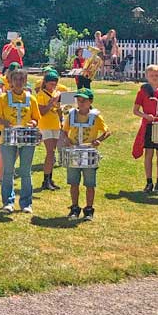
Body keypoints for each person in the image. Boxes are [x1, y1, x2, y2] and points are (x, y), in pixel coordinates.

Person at [0, 66, 41, 214]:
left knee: (26, 171)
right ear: (11, 81)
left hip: (26, 138)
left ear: (26, 81)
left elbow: (36, 119)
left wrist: (33, 123)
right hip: (8, 138)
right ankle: (8, 202)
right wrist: (5, 123)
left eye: (22, 79)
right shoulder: (3, 98)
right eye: (16, 79)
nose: (19, 82)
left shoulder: (31, 99)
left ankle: (26, 203)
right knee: (8, 170)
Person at [60, 89, 109, 220]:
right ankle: (75, 208)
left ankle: (89, 209)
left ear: (90, 101)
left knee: (89, 184)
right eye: (79, 100)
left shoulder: (96, 116)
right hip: (74, 151)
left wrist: (99, 140)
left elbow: (107, 131)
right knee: (74, 182)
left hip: (89, 152)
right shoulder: (71, 115)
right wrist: (67, 139)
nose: (80, 103)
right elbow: (65, 130)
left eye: (84, 100)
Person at [132, 64, 158, 195]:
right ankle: (149, 182)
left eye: (157, 75)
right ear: (147, 76)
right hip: (149, 125)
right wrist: (145, 116)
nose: (154, 78)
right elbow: (135, 110)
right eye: (152, 75)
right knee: (149, 153)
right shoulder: (143, 91)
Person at [34, 69, 67, 191]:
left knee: (52, 152)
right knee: (50, 152)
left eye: (55, 84)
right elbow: (41, 112)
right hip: (46, 124)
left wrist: (62, 119)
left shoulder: (57, 93)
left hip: (55, 124)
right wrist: (51, 103)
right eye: (51, 84)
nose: (53, 86)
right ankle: (46, 179)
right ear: (46, 83)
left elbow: (59, 109)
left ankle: (49, 178)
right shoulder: (41, 94)